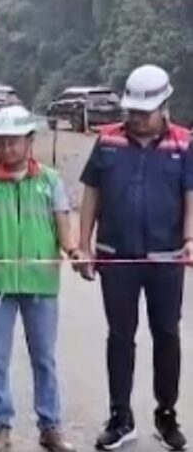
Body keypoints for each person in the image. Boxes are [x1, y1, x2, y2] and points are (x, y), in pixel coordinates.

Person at [75, 64, 190, 451]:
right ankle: (121, 417)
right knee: (120, 337)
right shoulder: (108, 141)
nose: (137, 118)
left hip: (167, 259)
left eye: (145, 112)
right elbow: (92, 192)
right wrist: (83, 244)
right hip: (116, 257)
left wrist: (190, 238)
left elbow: (191, 196)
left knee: (167, 335)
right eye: (133, 111)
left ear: (163, 107)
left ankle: (166, 413)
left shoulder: (184, 143)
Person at [0, 106, 76, 452]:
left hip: (41, 283)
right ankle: (0, 426)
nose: (7, 149)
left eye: (14, 142)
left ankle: (50, 426)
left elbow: (64, 227)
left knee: (44, 358)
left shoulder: (51, 181)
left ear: (29, 142)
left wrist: (73, 250)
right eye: (2, 143)